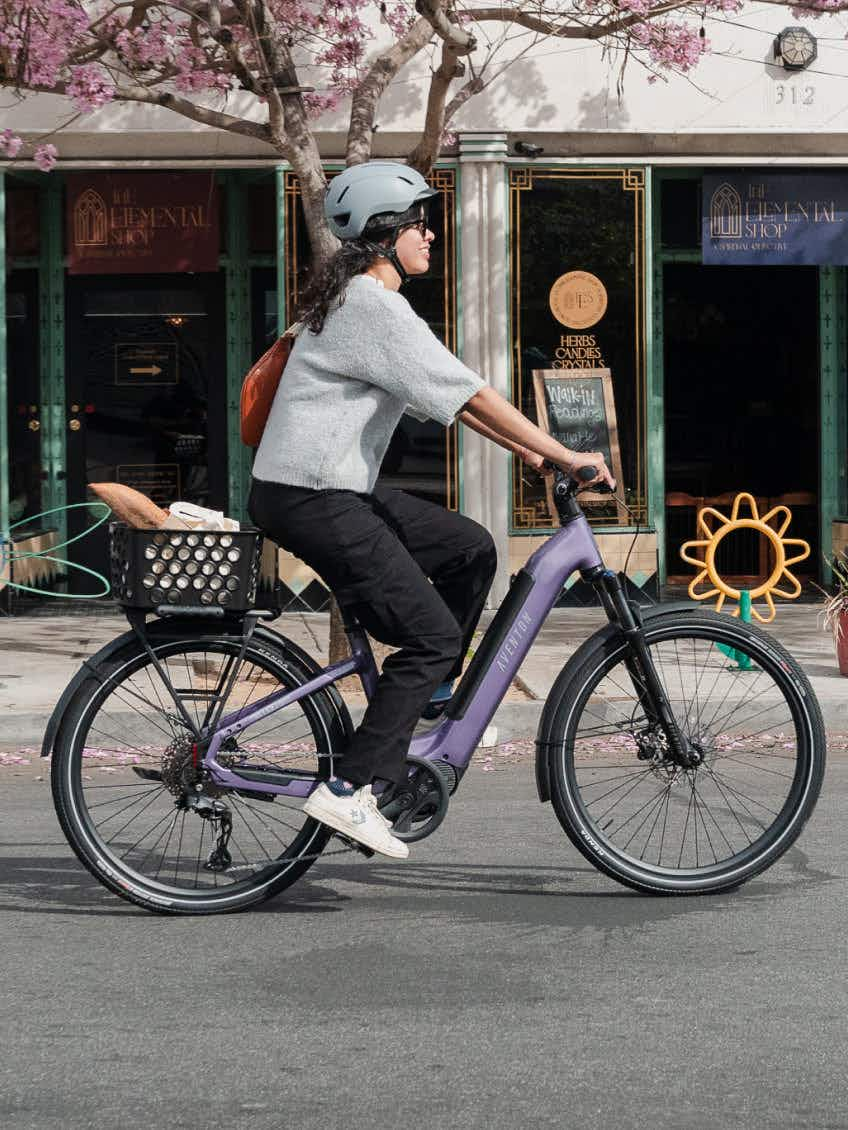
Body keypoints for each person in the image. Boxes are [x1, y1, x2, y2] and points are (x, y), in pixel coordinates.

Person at [248, 161, 614, 860]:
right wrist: (565, 455)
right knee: (431, 637)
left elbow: (449, 399)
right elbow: (472, 393)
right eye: (421, 221)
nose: (432, 234)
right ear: (387, 232)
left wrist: (530, 455)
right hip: (314, 496)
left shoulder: (361, 301)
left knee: (471, 548)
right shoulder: (372, 306)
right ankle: (350, 790)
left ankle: (432, 708)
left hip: (326, 487)